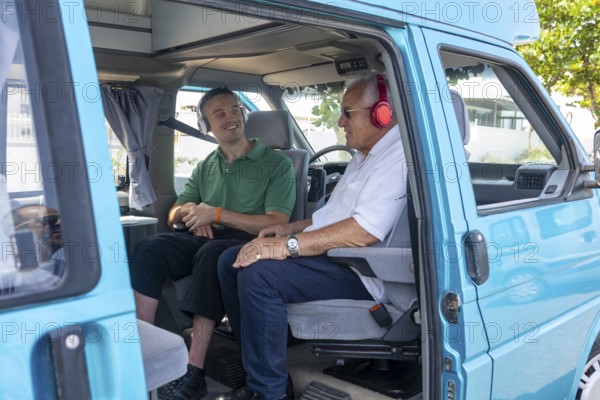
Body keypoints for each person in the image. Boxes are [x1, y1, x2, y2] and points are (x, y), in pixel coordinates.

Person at [216, 72, 407, 400]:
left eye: (348, 113)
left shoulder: (398, 158)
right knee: (228, 260)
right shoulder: (363, 157)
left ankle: (269, 393)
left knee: (260, 272)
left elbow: (362, 231)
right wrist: (288, 229)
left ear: (383, 114)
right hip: (333, 256)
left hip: (362, 271)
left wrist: (285, 247)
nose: (340, 122)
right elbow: (330, 219)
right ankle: (264, 366)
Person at [128, 87, 296, 400]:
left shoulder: (278, 165)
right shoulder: (207, 165)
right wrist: (194, 213)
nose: (231, 117)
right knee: (148, 249)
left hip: (253, 241)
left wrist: (216, 212)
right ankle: (139, 358)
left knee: (209, 254)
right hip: (208, 236)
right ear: (207, 125)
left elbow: (277, 222)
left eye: (235, 110)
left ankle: (194, 370)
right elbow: (174, 213)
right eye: (219, 113)